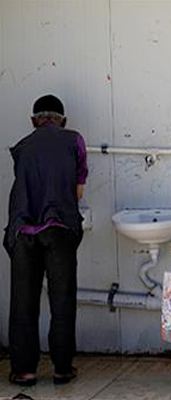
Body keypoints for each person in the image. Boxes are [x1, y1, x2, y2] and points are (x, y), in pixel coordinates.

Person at [4, 94, 87, 386]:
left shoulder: (23, 146)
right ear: (63, 121)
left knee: (23, 303)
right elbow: (77, 194)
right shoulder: (73, 140)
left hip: (23, 232)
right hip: (59, 228)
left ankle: (24, 370)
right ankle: (62, 368)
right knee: (62, 300)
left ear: (33, 121)